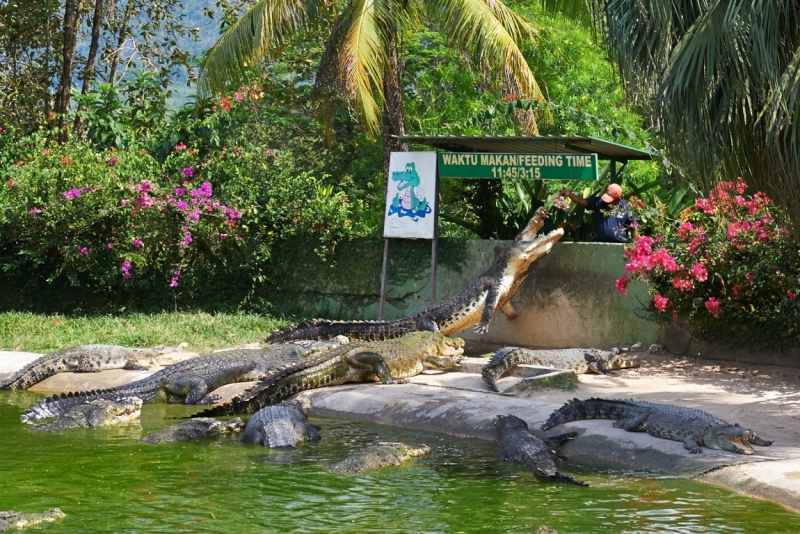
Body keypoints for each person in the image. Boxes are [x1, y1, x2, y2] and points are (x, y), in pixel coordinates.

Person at [560, 183, 636, 243]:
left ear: (618, 198)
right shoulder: (600, 203)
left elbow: (634, 228)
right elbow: (582, 202)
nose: (607, 201)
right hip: (601, 245)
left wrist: (634, 245)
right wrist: (569, 194)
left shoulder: (627, 209)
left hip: (620, 246)